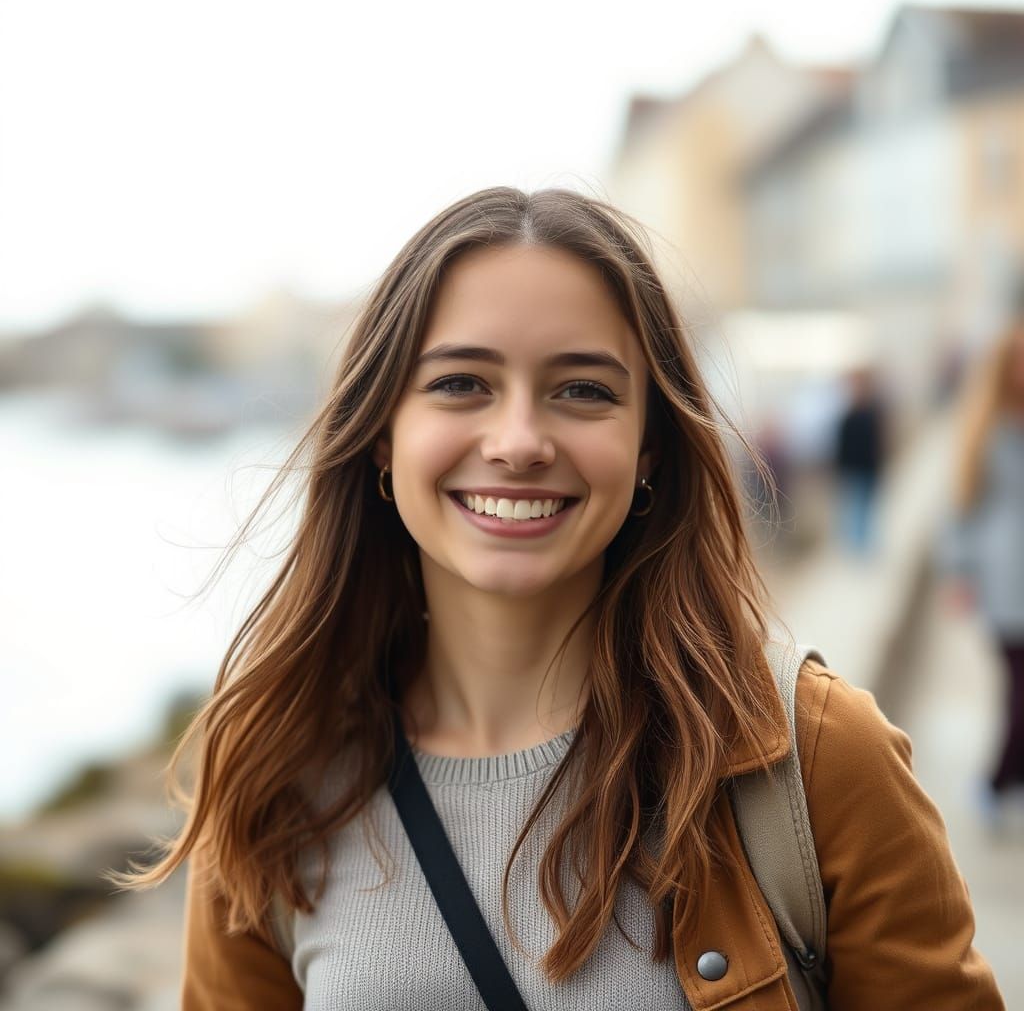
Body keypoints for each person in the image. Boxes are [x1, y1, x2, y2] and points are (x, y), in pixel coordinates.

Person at [111, 187, 1002, 1009]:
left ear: (649, 448)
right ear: (383, 437)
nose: (520, 440)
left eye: (583, 390)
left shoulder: (813, 759)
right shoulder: (274, 771)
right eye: (461, 383)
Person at [943, 317, 1024, 819]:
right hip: (1006, 578)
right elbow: (961, 509)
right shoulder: (987, 430)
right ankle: (995, 784)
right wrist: (959, 572)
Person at [833, 366, 887, 554]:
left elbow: (877, 444)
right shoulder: (850, 416)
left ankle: (862, 545)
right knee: (856, 507)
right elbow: (841, 446)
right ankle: (857, 546)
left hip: (866, 469)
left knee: (864, 507)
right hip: (855, 469)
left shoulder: (868, 415)